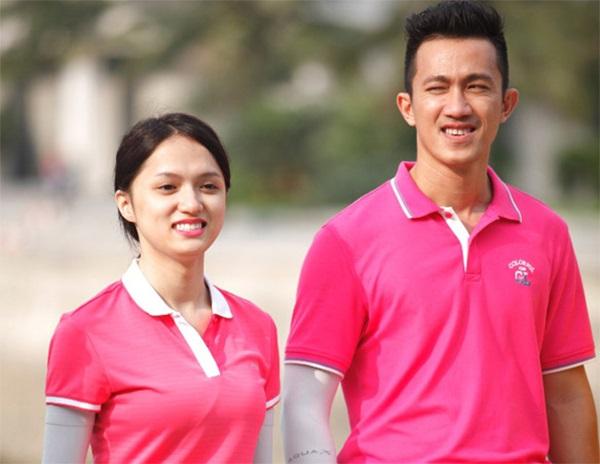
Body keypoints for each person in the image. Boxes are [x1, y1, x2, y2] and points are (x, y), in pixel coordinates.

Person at [282, 1, 598, 462]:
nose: (457, 106)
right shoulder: (346, 240)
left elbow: (565, 394)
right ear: (408, 107)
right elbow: (305, 397)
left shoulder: (546, 233)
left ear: (506, 104)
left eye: (477, 86)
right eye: (437, 87)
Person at [43, 113, 280, 463]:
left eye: (208, 186)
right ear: (126, 204)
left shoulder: (258, 327)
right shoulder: (85, 330)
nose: (192, 203)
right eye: (168, 187)